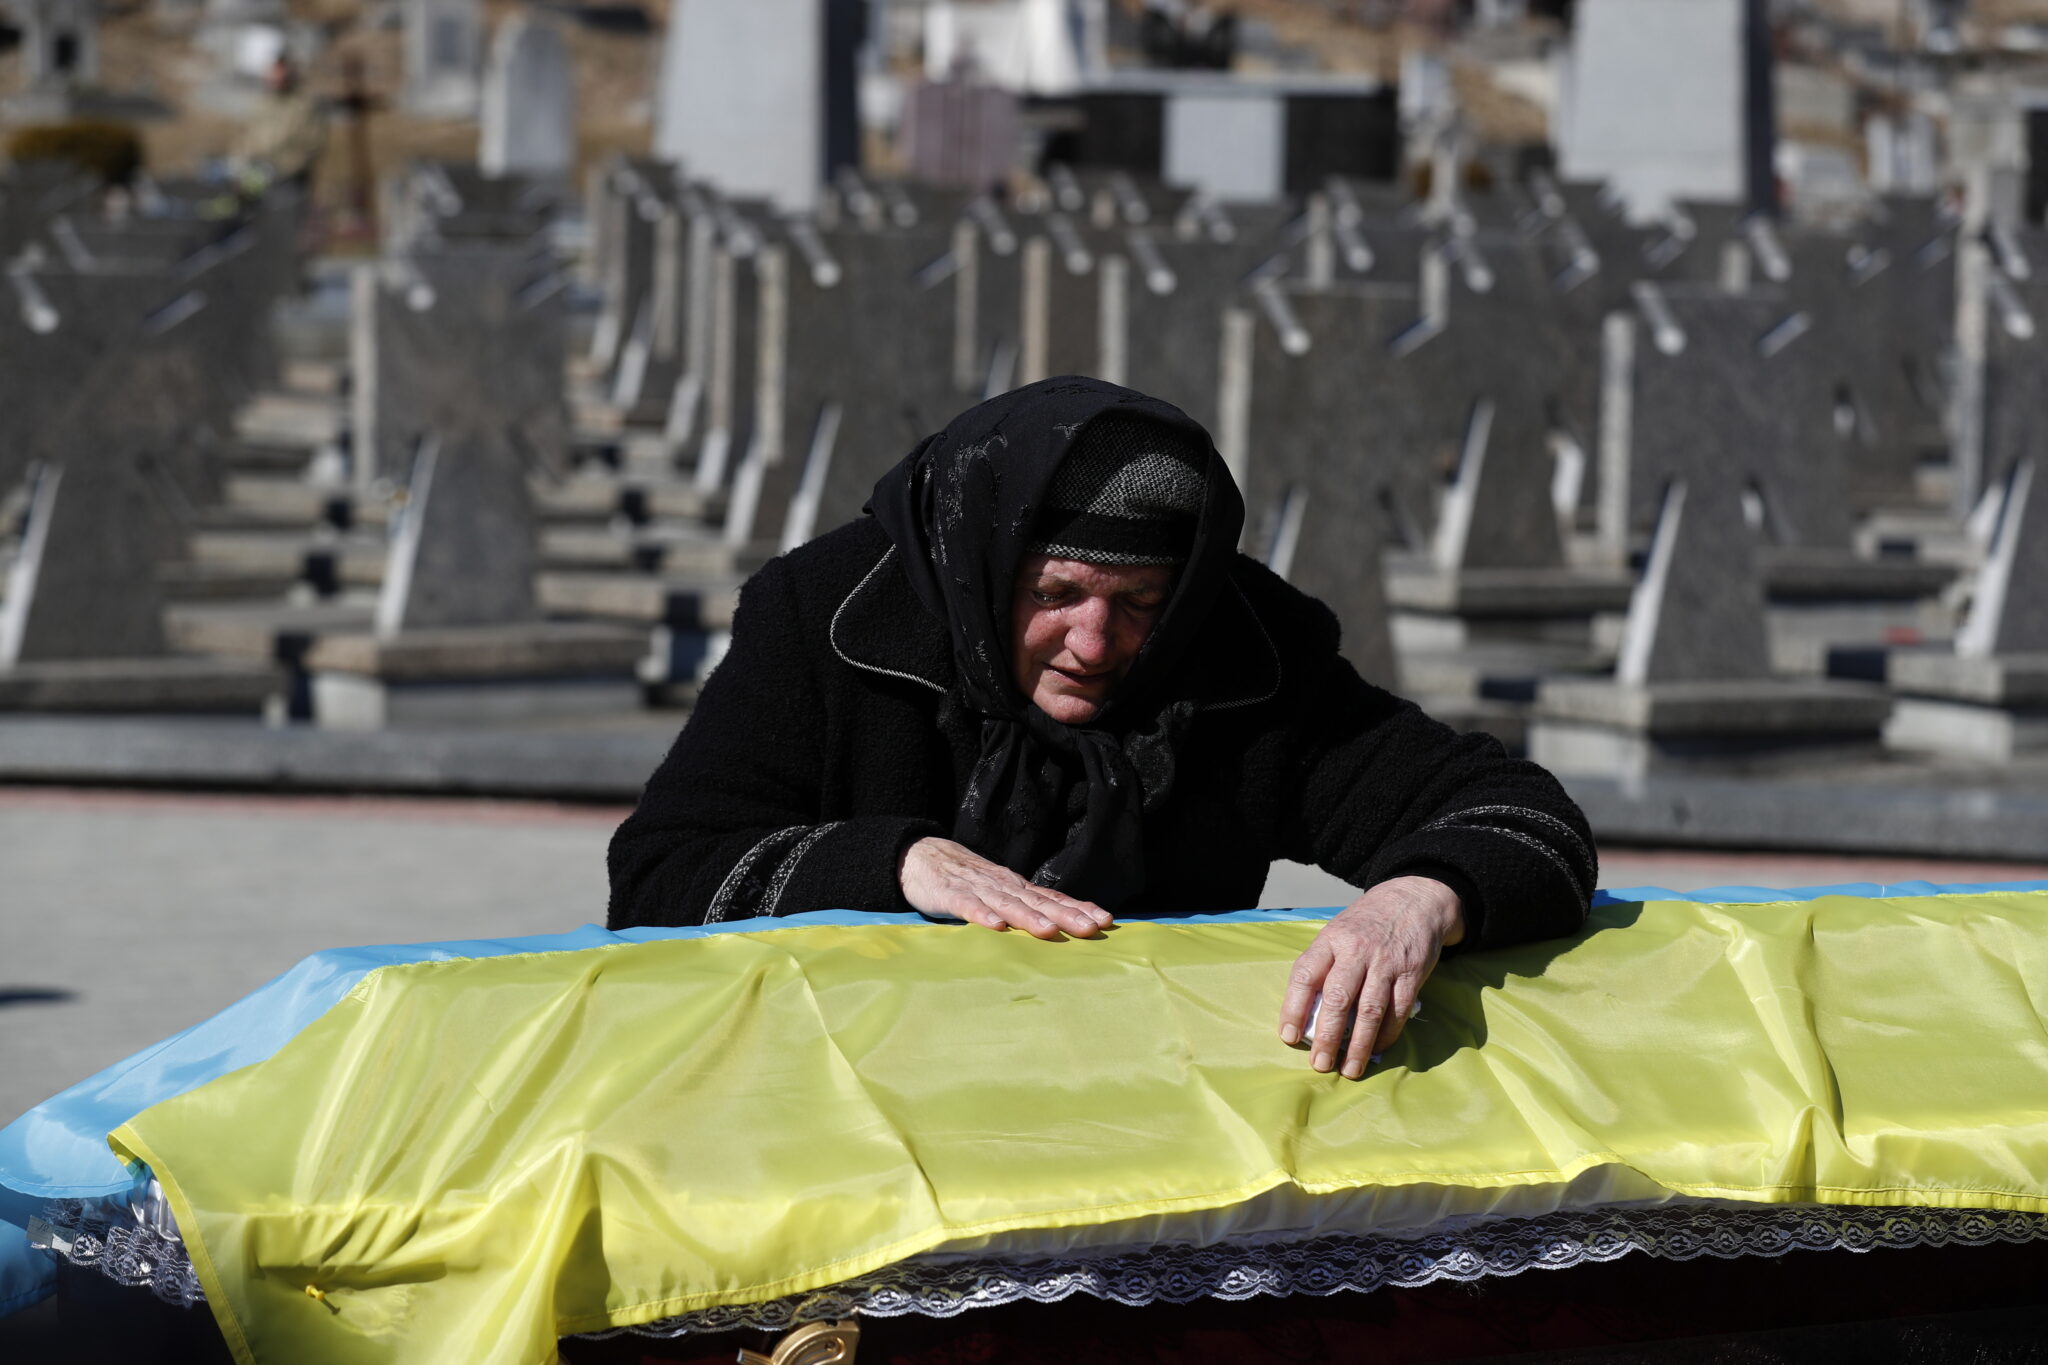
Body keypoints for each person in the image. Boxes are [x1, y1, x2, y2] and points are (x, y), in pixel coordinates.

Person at [608, 378, 1595, 1079]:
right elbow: (657, 880)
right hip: (836, 1098)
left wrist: (1416, 901)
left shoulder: (1239, 652)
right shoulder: (825, 617)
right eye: (1054, 592)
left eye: (1139, 600)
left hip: (1136, 1109)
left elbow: (1520, 815)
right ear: (981, 571)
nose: (1095, 641)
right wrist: (892, 863)